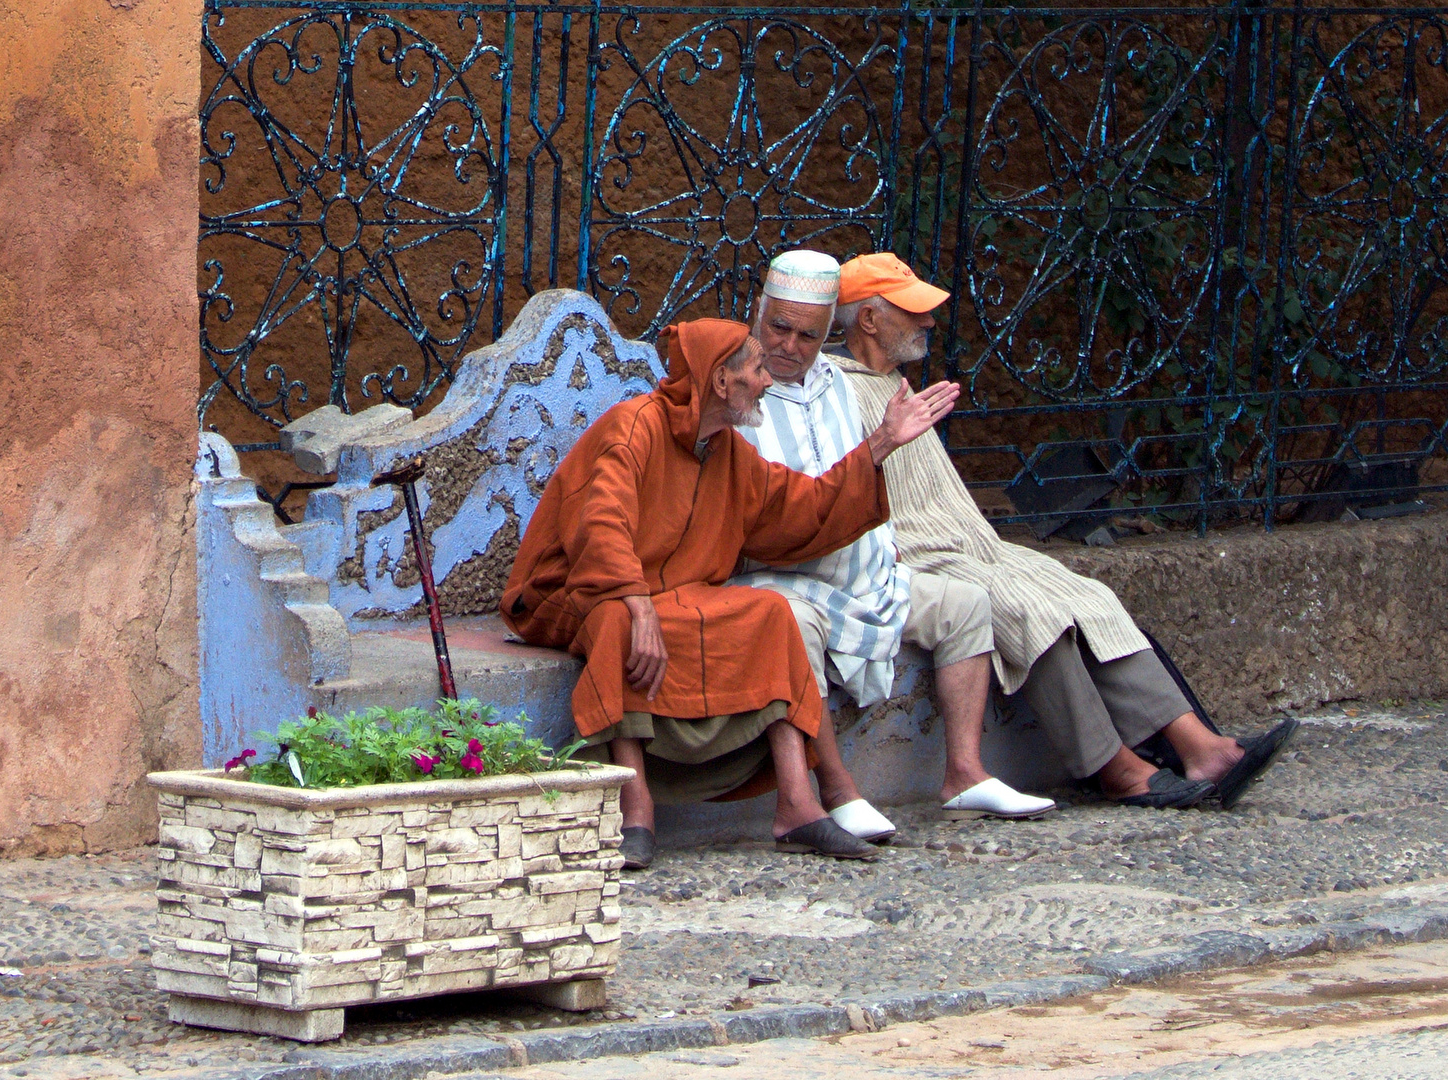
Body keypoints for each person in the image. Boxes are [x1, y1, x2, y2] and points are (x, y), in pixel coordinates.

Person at [831, 251, 1299, 809]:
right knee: (1030, 611)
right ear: (868, 319)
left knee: (1088, 594)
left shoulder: (896, 383)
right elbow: (832, 489)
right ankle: (1115, 768)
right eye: (914, 312)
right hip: (915, 554)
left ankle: (1202, 747)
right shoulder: (832, 387)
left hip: (973, 543)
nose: (929, 322)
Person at [501, 317, 961, 868]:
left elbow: (802, 508)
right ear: (722, 382)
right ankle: (635, 807)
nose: (769, 380)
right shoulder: (635, 427)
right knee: (617, 622)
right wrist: (637, 602)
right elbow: (601, 527)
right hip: (576, 590)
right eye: (759, 368)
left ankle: (796, 804)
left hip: (671, 594)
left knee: (771, 613)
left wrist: (881, 442)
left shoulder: (728, 450)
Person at [732, 250, 1058, 832]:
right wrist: (881, 444)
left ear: (829, 329)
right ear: (759, 317)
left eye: (808, 334)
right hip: (777, 572)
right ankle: (835, 789)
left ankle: (965, 774)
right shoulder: (736, 386)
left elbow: (862, 491)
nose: (789, 346)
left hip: (859, 571)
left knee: (964, 604)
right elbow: (772, 513)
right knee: (790, 623)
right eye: (778, 327)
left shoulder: (837, 384)